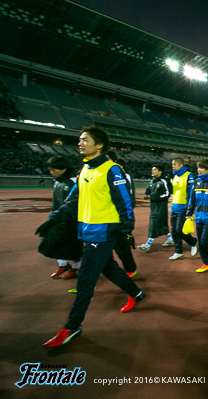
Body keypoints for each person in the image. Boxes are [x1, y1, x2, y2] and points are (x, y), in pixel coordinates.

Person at [36, 126, 145, 348]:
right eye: (80, 139)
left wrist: (126, 231)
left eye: (85, 140)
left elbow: (124, 202)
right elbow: (73, 199)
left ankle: (72, 327)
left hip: (104, 232)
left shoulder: (112, 169)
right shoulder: (84, 170)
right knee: (108, 267)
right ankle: (137, 292)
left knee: (86, 278)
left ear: (99, 145)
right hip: (88, 231)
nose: (81, 143)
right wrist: (54, 218)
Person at [44, 155, 81, 280]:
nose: (52, 173)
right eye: (50, 170)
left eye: (54, 170)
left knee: (74, 244)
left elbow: (76, 203)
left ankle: (77, 268)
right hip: (58, 218)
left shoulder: (73, 182)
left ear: (64, 168)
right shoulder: (57, 181)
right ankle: (63, 265)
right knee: (54, 242)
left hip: (72, 220)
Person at [105, 153, 138, 277]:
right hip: (101, 218)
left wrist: (126, 220)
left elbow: (127, 197)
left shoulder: (120, 174)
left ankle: (130, 269)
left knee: (122, 247)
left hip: (117, 217)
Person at [186, 159, 208, 273]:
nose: (199, 170)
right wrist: (189, 214)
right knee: (200, 243)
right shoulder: (196, 182)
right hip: (198, 217)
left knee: (205, 242)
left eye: (201, 168)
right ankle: (206, 263)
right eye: (198, 168)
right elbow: (192, 200)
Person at [137, 164, 174, 251]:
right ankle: (170, 239)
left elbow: (167, 194)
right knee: (162, 224)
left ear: (160, 172)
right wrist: (146, 194)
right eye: (152, 170)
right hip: (154, 207)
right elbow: (148, 189)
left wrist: (153, 197)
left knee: (153, 223)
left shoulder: (163, 181)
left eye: (155, 170)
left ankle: (148, 244)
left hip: (161, 207)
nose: (152, 171)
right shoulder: (153, 181)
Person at [168, 158, 198, 260]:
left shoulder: (189, 175)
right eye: (172, 164)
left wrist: (189, 209)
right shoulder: (175, 175)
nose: (173, 166)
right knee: (173, 231)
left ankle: (192, 242)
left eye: (175, 164)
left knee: (179, 230)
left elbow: (190, 194)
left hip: (183, 206)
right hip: (174, 206)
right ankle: (178, 251)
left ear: (181, 165)